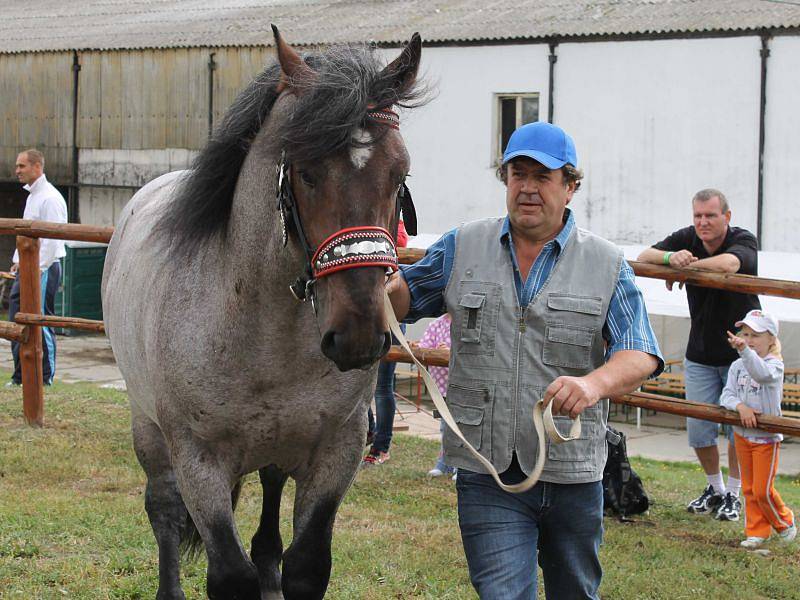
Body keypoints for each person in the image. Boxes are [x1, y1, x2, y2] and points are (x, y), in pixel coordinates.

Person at [387, 121, 662, 599]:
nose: (528, 188)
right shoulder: (461, 246)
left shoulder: (606, 263)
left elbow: (641, 352)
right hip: (486, 469)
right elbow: (401, 298)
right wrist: (364, 277)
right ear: (506, 180)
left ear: (571, 186)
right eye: (518, 174)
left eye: (543, 176)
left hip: (572, 474)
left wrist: (592, 385)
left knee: (573, 592)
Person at [637, 189, 760, 521]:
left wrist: (685, 268)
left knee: (739, 427)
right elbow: (645, 255)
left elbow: (729, 264)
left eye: (710, 215)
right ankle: (716, 489)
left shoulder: (743, 239)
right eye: (698, 216)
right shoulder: (686, 238)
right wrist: (669, 259)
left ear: (727, 217)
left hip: (742, 354)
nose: (703, 222)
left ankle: (734, 493)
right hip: (700, 352)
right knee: (699, 428)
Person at [720, 310, 796, 548]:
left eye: (756, 335)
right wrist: (740, 406)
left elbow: (760, 374)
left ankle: (785, 522)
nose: (749, 339)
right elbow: (726, 395)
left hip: (766, 439)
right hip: (743, 436)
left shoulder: (775, 366)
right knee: (750, 488)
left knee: (763, 490)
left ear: (771, 339)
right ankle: (756, 532)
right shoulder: (736, 366)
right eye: (745, 333)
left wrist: (743, 350)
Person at [7, 149, 68, 386]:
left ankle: (45, 377)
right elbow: (24, 233)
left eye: (22, 166)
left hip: (44, 268)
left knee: (39, 322)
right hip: (27, 267)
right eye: (17, 166)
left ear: (37, 167)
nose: (17, 171)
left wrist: (37, 269)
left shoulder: (50, 198)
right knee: (17, 321)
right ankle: (20, 376)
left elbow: (53, 241)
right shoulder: (32, 196)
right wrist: (18, 260)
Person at [363, 220, 409, 466]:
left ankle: (381, 447)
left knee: (382, 387)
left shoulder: (392, 219)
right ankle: (369, 429)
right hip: (365, 313)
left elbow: (401, 240)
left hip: (389, 312)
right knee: (356, 380)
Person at [416, 313, 455, 478]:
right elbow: (424, 347)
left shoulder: (467, 323)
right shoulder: (436, 324)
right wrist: (424, 348)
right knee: (445, 426)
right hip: (441, 388)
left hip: (463, 386)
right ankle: (445, 463)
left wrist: (451, 351)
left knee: (463, 427)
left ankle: (462, 467)